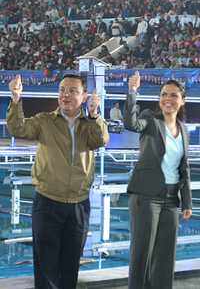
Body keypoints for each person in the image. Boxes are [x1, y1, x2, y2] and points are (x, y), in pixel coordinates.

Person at [6, 74, 109, 289]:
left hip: (79, 204)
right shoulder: (45, 121)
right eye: (62, 90)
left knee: (70, 265)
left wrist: (94, 115)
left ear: (83, 96)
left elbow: (100, 140)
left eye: (72, 90)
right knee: (46, 266)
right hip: (47, 202)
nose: (66, 95)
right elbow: (18, 129)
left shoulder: (89, 123)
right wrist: (16, 99)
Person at [125, 71, 192, 289]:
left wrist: (187, 201)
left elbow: (184, 167)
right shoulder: (150, 120)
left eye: (173, 95)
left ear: (182, 100)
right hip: (146, 197)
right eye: (164, 94)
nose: (168, 99)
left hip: (171, 199)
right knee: (142, 256)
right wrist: (132, 92)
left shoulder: (184, 129)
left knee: (165, 257)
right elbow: (131, 124)